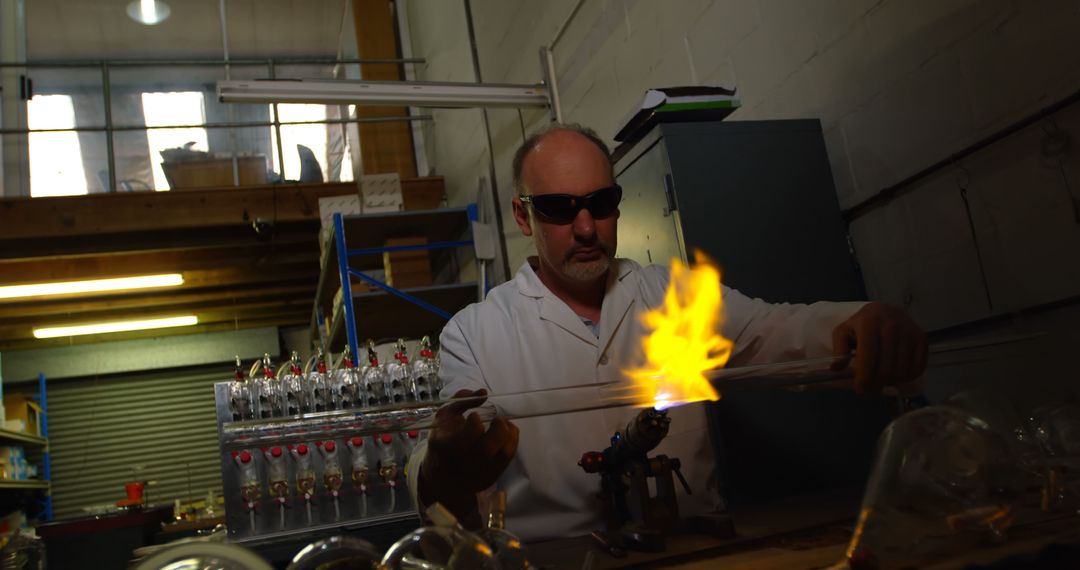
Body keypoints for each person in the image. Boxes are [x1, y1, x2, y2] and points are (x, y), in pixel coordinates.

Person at [405, 123, 927, 541]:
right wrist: (441, 465)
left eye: (601, 203)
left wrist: (861, 320)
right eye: (560, 209)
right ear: (524, 217)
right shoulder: (475, 332)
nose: (586, 227)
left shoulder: (672, 294)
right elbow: (443, 475)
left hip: (692, 551)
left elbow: (775, 332)